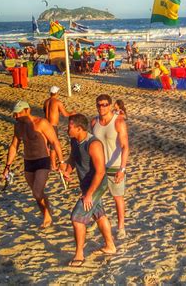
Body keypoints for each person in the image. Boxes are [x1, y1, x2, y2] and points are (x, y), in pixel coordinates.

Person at [2, 100, 66, 229]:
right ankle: (47, 213)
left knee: (37, 192)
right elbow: (14, 146)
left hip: (42, 160)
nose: (16, 117)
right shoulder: (18, 126)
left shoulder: (41, 123)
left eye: (18, 114)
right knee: (37, 193)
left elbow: (54, 142)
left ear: (27, 110)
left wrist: (61, 161)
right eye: (14, 114)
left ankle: (47, 216)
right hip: (28, 162)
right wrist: (7, 166)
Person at [64, 114, 116, 267]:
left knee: (77, 218)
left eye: (70, 127)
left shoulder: (93, 144)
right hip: (87, 186)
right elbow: (74, 157)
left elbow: (100, 172)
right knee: (99, 215)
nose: (67, 129)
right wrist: (68, 170)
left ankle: (79, 254)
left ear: (79, 129)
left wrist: (89, 194)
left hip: (98, 185)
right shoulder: (74, 140)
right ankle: (110, 246)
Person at [91, 94, 129, 239]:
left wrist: (122, 169)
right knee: (95, 196)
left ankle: (121, 227)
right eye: (99, 105)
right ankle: (98, 219)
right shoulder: (94, 122)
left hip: (115, 166)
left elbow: (125, 147)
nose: (102, 107)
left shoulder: (118, 122)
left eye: (105, 104)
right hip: (98, 166)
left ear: (111, 105)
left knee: (117, 197)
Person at [43, 86, 75, 170]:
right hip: (53, 126)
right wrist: (72, 113)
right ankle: (53, 165)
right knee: (53, 146)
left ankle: (48, 163)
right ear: (57, 93)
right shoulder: (57, 102)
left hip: (45, 125)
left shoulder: (46, 101)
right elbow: (65, 114)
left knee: (47, 145)